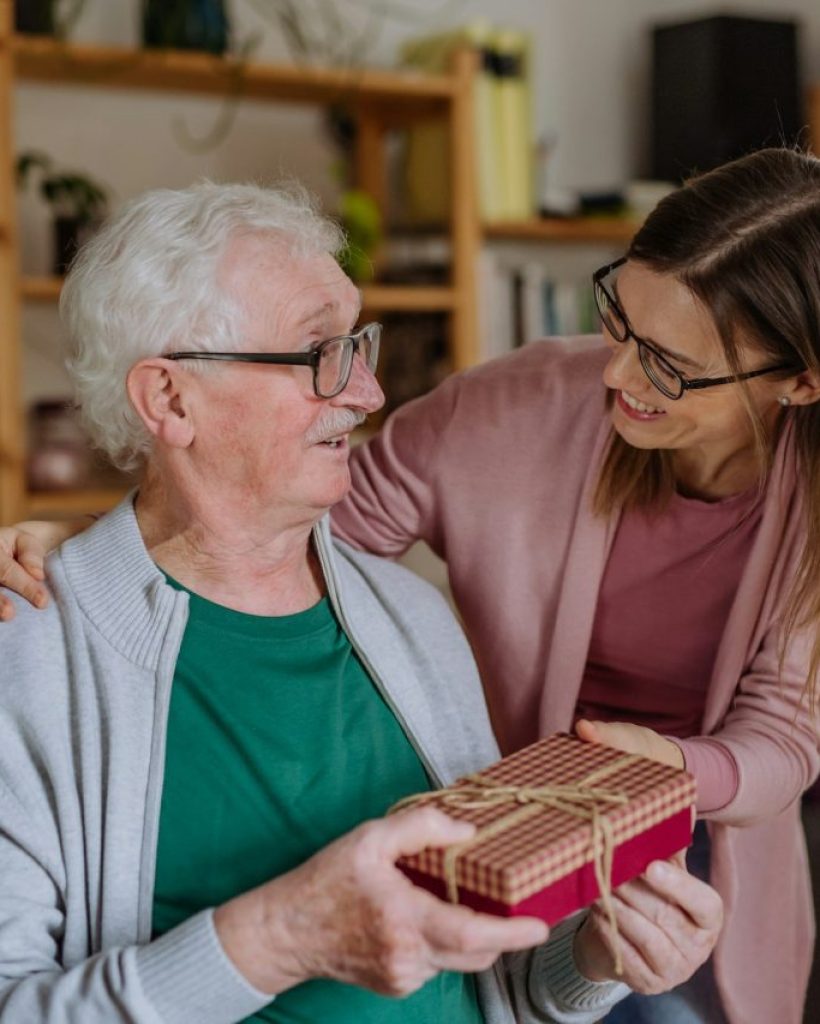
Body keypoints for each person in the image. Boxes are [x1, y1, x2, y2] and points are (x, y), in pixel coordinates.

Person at [4, 148, 816, 1024]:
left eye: (669, 364)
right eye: (321, 352)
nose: (370, 393)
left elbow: (512, 982)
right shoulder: (32, 658)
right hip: (541, 801)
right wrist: (96, 550)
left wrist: (590, 959)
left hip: (665, 818)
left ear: (800, 384)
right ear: (169, 398)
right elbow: (248, 526)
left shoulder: (414, 626)